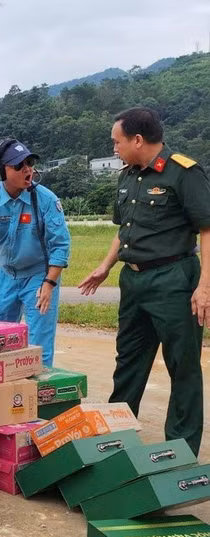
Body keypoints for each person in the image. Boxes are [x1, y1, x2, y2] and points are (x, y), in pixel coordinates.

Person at [78, 106, 210, 455]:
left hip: (174, 281)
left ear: (138, 139)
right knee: (129, 363)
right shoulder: (128, 176)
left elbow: (207, 229)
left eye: (116, 141)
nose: (114, 148)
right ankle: (116, 444)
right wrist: (106, 266)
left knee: (182, 368)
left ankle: (179, 455)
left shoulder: (184, 173)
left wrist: (205, 286)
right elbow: (125, 231)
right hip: (133, 281)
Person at [0, 139, 71, 368]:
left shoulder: (46, 200)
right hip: (6, 275)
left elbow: (61, 244)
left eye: (29, 163)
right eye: (19, 166)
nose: (27, 170)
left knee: (39, 346)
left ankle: (40, 397)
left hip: (39, 277)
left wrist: (49, 283)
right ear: (1, 172)